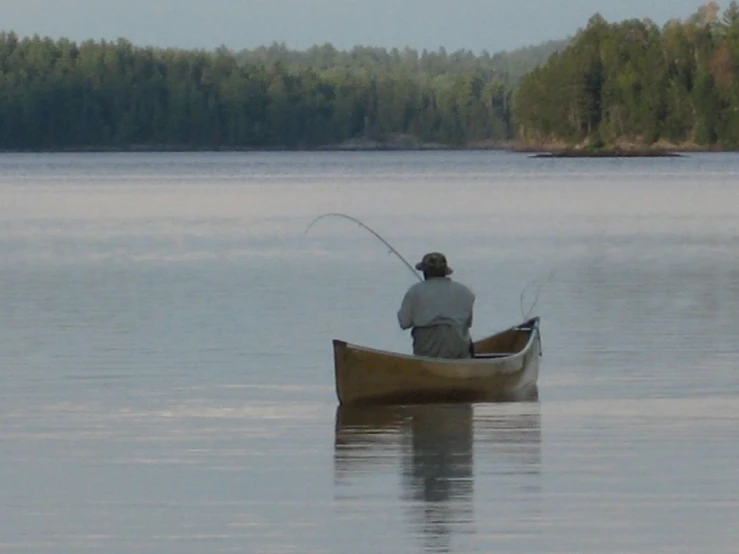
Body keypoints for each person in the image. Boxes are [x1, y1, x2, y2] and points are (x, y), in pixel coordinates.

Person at [397, 252, 476, 359]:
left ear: (424, 272)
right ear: (445, 271)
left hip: (427, 349)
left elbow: (404, 323)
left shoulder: (415, 291)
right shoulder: (465, 292)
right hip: (458, 349)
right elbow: (468, 323)